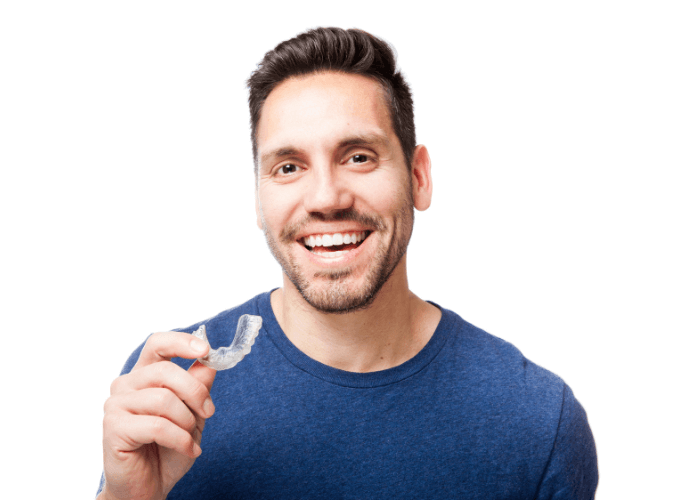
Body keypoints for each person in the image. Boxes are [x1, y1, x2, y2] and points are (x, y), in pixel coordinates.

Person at [98, 27, 598, 499]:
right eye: (288, 167)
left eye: (358, 157)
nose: (326, 197)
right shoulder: (171, 388)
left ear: (419, 177)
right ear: (258, 197)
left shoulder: (536, 422)